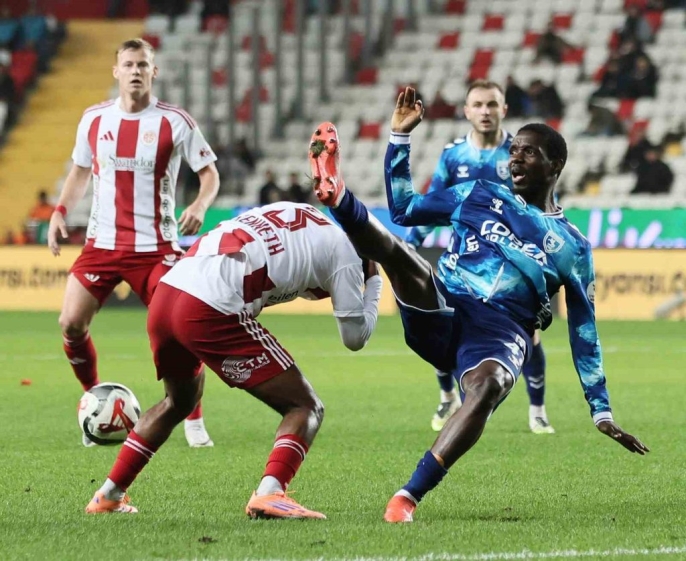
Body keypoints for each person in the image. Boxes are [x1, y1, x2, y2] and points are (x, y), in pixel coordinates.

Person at [309, 87, 649, 524]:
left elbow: (584, 330)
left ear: (555, 165)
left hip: (500, 332)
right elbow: (406, 208)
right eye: (515, 150)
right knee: (405, 258)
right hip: (446, 301)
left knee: (489, 385)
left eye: (529, 152)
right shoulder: (479, 193)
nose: (516, 158)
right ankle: (337, 196)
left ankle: (407, 497)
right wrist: (400, 138)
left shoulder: (573, 246)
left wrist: (600, 409)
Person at [84, 201, 383, 517]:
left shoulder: (303, 213)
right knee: (305, 406)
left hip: (168, 292)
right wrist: (375, 281)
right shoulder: (348, 254)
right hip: (209, 307)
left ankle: (108, 496)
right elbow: (355, 338)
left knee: (178, 401)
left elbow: (292, 266)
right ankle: (270, 492)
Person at [47, 38, 220, 448]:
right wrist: (60, 211)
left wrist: (199, 204)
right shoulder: (94, 119)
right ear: (116, 71)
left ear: (153, 72)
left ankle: (194, 418)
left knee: (180, 331)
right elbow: (80, 171)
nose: (136, 71)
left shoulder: (175, 121)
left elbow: (210, 174)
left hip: (157, 248)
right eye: (128, 64)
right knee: (71, 323)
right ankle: (94, 402)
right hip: (102, 245)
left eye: (143, 64)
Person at [405, 80, 554, 435]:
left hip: (511, 266)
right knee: (443, 327)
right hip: (463, 263)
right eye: (478, 105)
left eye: (492, 104)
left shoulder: (519, 155)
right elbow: (433, 202)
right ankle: (447, 396)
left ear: (504, 109)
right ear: (467, 111)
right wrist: (410, 245)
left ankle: (537, 409)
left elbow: (543, 207)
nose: (485, 111)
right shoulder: (454, 155)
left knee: (531, 336)